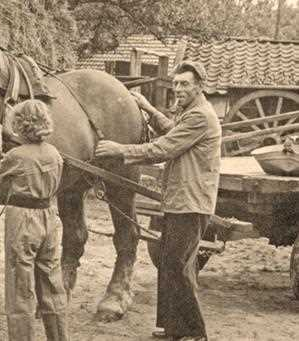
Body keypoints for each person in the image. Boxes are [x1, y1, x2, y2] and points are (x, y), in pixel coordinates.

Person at [95, 61, 221, 341]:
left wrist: (120, 150)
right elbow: (171, 130)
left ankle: (195, 332)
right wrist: (149, 109)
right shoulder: (190, 113)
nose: (178, 89)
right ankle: (170, 327)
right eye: (176, 83)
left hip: (192, 202)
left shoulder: (201, 116)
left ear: (200, 86)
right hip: (179, 200)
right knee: (168, 261)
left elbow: (163, 148)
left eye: (185, 84)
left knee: (178, 264)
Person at [0, 99, 68, 341]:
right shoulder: (55, 153)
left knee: (20, 285)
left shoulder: (16, 155)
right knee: (51, 282)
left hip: (22, 220)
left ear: (19, 125)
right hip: (49, 217)